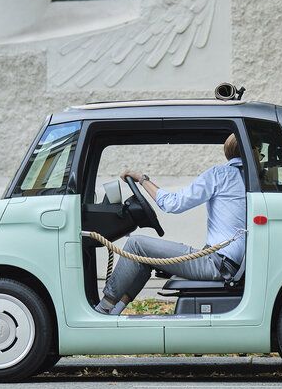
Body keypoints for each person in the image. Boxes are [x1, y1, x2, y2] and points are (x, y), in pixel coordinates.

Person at [95, 134, 247, 314]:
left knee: (135, 245)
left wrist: (142, 179)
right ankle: (115, 311)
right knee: (143, 260)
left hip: (217, 264)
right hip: (224, 261)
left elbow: (172, 203)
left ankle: (102, 310)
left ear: (228, 152)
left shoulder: (221, 175)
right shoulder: (253, 179)